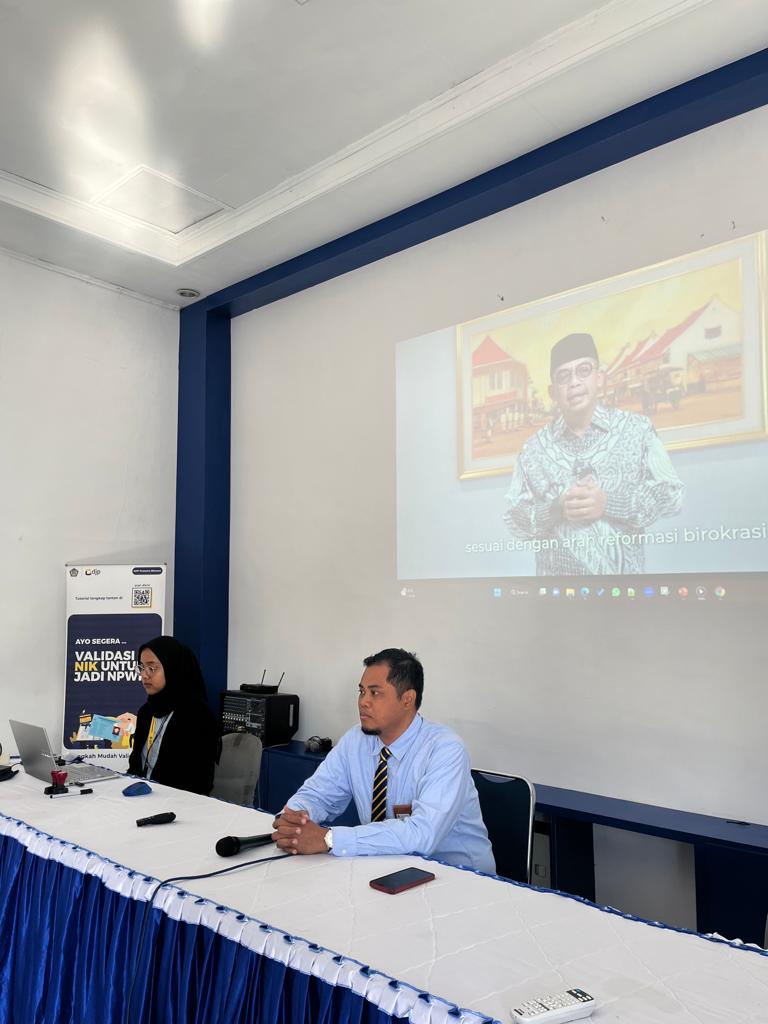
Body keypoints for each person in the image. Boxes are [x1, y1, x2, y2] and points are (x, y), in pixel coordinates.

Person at [271, 648, 495, 873]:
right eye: (361, 691)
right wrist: (292, 821)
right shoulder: (356, 740)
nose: (363, 702)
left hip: (459, 875)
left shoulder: (445, 749)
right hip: (387, 868)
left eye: (375, 693)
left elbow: (422, 834)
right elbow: (318, 794)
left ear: (407, 699)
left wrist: (329, 839)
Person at [503, 332, 684, 575]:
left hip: (625, 593)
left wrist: (609, 503)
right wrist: (556, 509)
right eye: (563, 376)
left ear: (600, 378)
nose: (574, 383)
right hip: (554, 594)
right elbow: (515, 519)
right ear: (553, 392)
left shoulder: (638, 430)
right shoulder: (532, 450)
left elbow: (670, 496)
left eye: (583, 370)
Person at [127, 635, 219, 795]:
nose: (144, 675)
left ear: (172, 669)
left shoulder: (197, 715)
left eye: (151, 668)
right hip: (143, 797)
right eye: (141, 667)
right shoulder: (146, 712)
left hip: (179, 801)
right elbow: (135, 766)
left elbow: (198, 781)